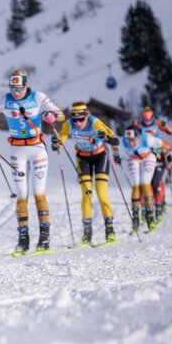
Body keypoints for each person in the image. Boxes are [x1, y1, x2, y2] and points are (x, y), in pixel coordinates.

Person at [0, 69, 64, 255]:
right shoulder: (4, 98)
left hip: (37, 149)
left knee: (39, 194)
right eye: (13, 88)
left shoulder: (38, 96)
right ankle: (23, 240)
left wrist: (52, 116)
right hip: (17, 150)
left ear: (26, 85)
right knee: (21, 195)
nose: (16, 93)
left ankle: (44, 237)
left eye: (19, 89)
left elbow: (60, 114)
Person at [52, 102, 119, 245]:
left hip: (100, 157)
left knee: (101, 193)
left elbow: (115, 140)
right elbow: (59, 142)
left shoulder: (95, 123)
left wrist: (105, 137)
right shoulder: (68, 124)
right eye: (75, 119)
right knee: (87, 193)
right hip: (83, 159)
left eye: (81, 119)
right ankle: (87, 231)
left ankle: (109, 228)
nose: (77, 123)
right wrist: (55, 143)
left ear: (87, 116)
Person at [121, 124, 172, 231]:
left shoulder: (148, 139)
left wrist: (168, 157)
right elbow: (113, 143)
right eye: (129, 140)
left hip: (148, 157)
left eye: (133, 140)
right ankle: (135, 218)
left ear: (139, 136)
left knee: (145, 183)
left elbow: (164, 145)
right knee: (136, 185)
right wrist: (115, 155)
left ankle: (150, 216)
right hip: (133, 159)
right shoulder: (124, 140)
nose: (131, 143)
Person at [135, 106, 172, 221]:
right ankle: (145, 208)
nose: (147, 122)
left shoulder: (157, 123)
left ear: (153, 118)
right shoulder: (138, 124)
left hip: (157, 153)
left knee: (156, 182)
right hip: (144, 155)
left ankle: (160, 204)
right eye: (145, 120)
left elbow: (170, 132)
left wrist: (166, 126)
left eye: (149, 120)